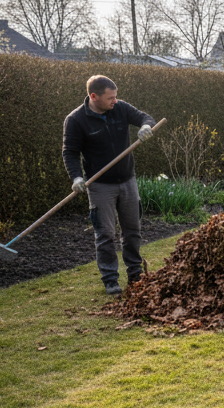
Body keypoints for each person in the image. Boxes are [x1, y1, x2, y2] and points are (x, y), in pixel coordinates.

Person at [62, 75, 156, 295]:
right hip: (100, 185)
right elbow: (70, 152)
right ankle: (110, 279)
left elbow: (145, 117)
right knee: (105, 233)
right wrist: (76, 177)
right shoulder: (76, 120)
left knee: (132, 230)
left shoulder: (120, 108)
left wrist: (145, 126)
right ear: (93, 96)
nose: (115, 101)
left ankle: (135, 274)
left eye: (115, 96)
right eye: (110, 98)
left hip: (127, 180)